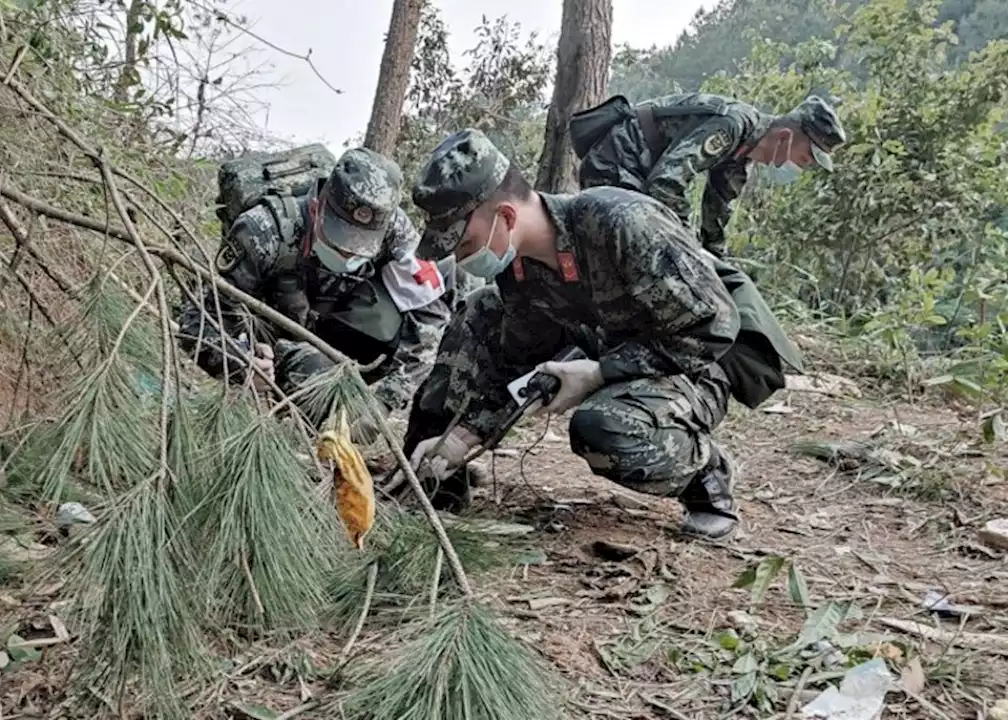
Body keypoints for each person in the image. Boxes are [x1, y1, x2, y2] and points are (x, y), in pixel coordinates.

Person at [400, 128, 801, 542]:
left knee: (603, 428)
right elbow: (518, 363)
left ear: (505, 217)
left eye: (464, 243)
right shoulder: (518, 272)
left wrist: (599, 374)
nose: (463, 259)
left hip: (697, 364)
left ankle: (706, 475)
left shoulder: (620, 222)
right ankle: (433, 474)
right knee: (481, 308)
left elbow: (713, 327)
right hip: (610, 351)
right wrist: (463, 437)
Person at [178, 147, 453, 441]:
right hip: (271, 335)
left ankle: (324, 409)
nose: (348, 253)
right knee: (312, 373)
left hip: (336, 328)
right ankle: (277, 435)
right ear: (315, 209)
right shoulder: (263, 231)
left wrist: (382, 403)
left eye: (361, 248)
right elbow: (196, 323)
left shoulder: (396, 232)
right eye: (339, 242)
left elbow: (431, 320)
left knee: (424, 310)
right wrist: (240, 362)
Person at [570, 93, 847, 257]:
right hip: (615, 162)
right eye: (805, 157)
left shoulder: (740, 158)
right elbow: (665, 184)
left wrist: (717, 267)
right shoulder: (732, 125)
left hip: (638, 176)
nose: (803, 165)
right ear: (786, 136)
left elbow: (715, 219)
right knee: (632, 253)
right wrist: (687, 248)